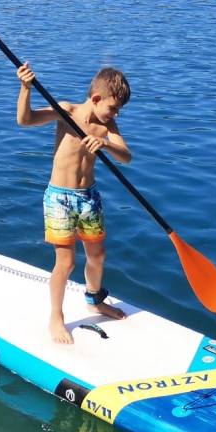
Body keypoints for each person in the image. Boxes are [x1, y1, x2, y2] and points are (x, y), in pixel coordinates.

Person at [16, 62, 132, 345]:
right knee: (65, 263)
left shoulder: (108, 125)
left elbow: (126, 156)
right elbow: (26, 119)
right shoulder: (66, 111)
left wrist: (106, 144)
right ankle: (56, 316)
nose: (116, 114)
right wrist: (26, 88)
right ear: (96, 99)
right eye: (113, 108)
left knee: (98, 255)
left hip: (88, 197)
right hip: (60, 198)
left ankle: (95, 301)